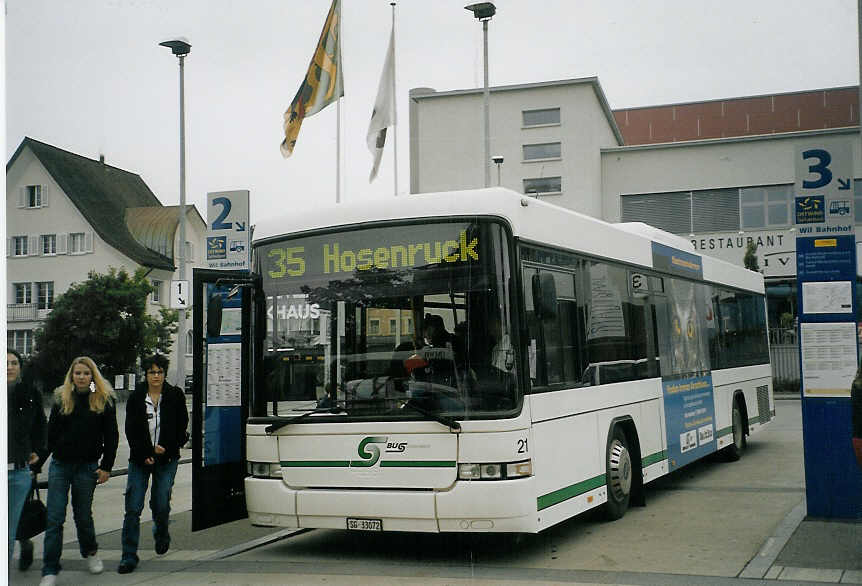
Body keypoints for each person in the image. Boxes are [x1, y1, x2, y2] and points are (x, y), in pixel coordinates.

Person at [40, 356, 118, 586]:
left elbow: (111, 437)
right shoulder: (61, 398)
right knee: (54, 518)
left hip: (87, 468)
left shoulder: (103, 399)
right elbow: (50, 436)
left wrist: (106, 467)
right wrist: (36, 464)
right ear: (71, 376)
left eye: (86, 373)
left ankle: (91, 552)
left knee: (83, 516)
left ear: (92, 376)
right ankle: (50, 569)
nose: (82, 377)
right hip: (60, 467)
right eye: (77, 373)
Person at [118, 354, 189, 574]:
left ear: (164, 374)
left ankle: (161, 531)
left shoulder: (175, 395)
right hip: (140, 459)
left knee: (160, 502)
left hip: (166, 458)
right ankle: (129, 555)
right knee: (133, 507)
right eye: (151, 372)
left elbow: (182, 426)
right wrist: (145, 452)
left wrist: (165, 447)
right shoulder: (136, 397)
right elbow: (131, 429)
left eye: (159, 372)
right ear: (145, 374)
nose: (156, 376)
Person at [7, 349, 47, 571]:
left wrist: (38, 452)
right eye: (6, 362)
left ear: (20, 368)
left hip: (19, 472)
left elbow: (42, 425)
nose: (10, 366)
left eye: (14, 362)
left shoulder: (30, 394)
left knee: (9, 530)